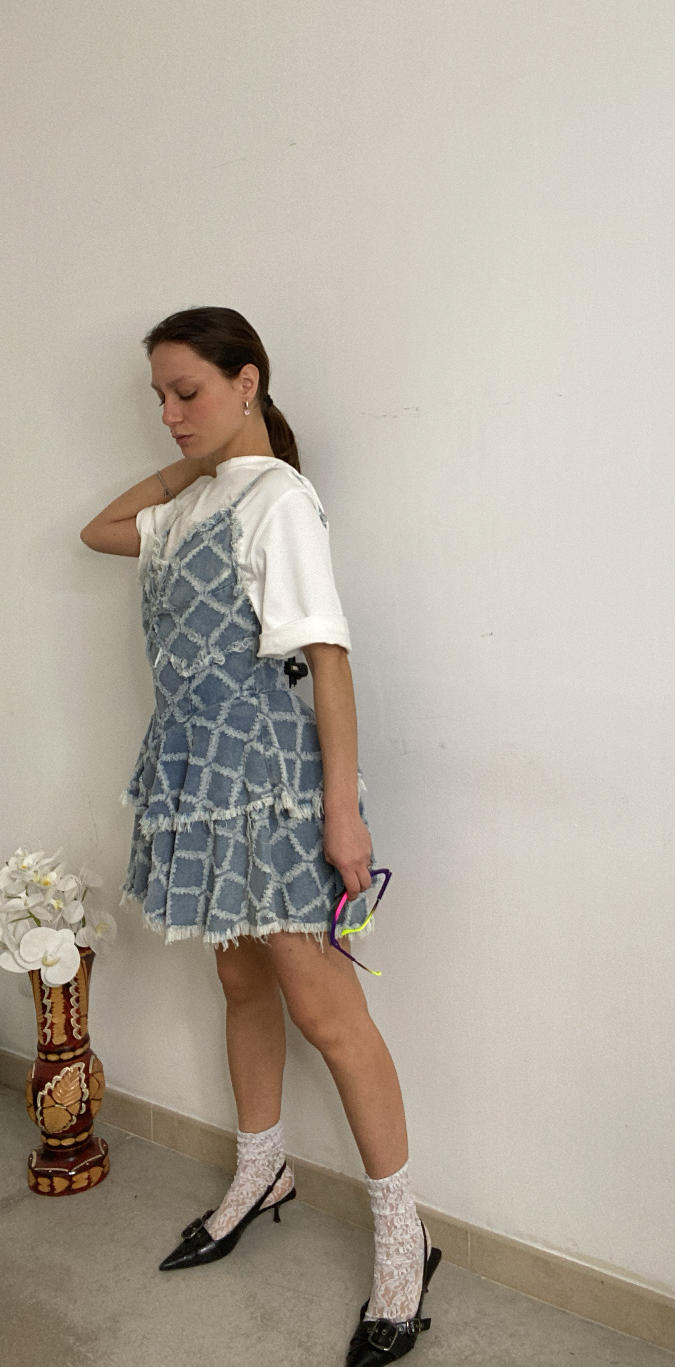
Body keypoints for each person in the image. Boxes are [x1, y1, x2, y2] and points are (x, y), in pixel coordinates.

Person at [80, 307, 440, 1364]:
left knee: (330, 1014)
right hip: (197, 783)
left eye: (187, 390)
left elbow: (326, 656)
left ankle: (404, 1240)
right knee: (239, 985)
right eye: (159, 395)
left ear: (248, 381)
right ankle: (262, 1169)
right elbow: (100, 530)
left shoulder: (279, 498)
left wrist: (343, 814)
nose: (169, 412)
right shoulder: (195, 503)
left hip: (271, 786)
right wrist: (192, 466)